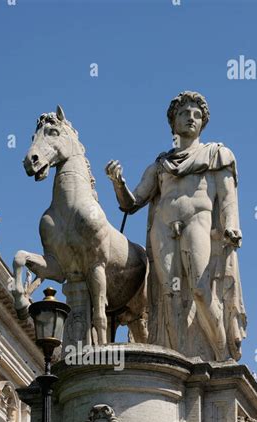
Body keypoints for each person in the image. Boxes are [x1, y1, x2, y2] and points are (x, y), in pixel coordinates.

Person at [105, 91, 246, 361]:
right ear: (173, 122)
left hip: (199, 221)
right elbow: (131, 203)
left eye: (197, 115)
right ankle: (176, 361)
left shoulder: (217, 154)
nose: (191, 118)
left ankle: (220, 354)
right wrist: (117, 181)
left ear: (203, 122)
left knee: (201, 289)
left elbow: (228, 197)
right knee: (168, 295)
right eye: (184, 114)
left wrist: (231, 226)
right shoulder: (161, 165)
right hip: (163, 227)